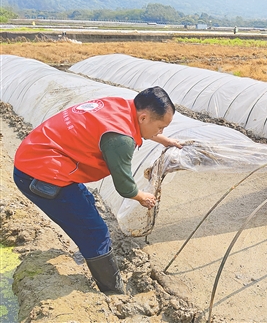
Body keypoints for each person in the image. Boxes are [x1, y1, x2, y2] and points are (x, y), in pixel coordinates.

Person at [13, 86, 183, 294]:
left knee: (86, 202)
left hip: (36, 153)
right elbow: (124, 185)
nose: (161, 131)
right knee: (96, 232)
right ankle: (113, 292)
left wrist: (164, 140)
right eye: (161, 127)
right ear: (144, 117)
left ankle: (88, 252)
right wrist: (141, 196)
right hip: (41, 174)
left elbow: (138, 128)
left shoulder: (120, 106)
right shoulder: (121, 140)